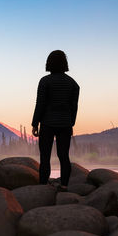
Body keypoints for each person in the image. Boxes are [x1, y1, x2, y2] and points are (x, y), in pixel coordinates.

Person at [31, 50, 79, 188]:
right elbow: (74, 107)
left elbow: (40, 104)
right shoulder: (73, 84)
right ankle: (64, 185)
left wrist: (35, 124)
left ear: (49, 63)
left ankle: (43, 185)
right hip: (65, 124)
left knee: (45, 157)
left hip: (47, 123)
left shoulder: (45, 81)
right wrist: (71, 123)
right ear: (65, 63)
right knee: (64, 156)